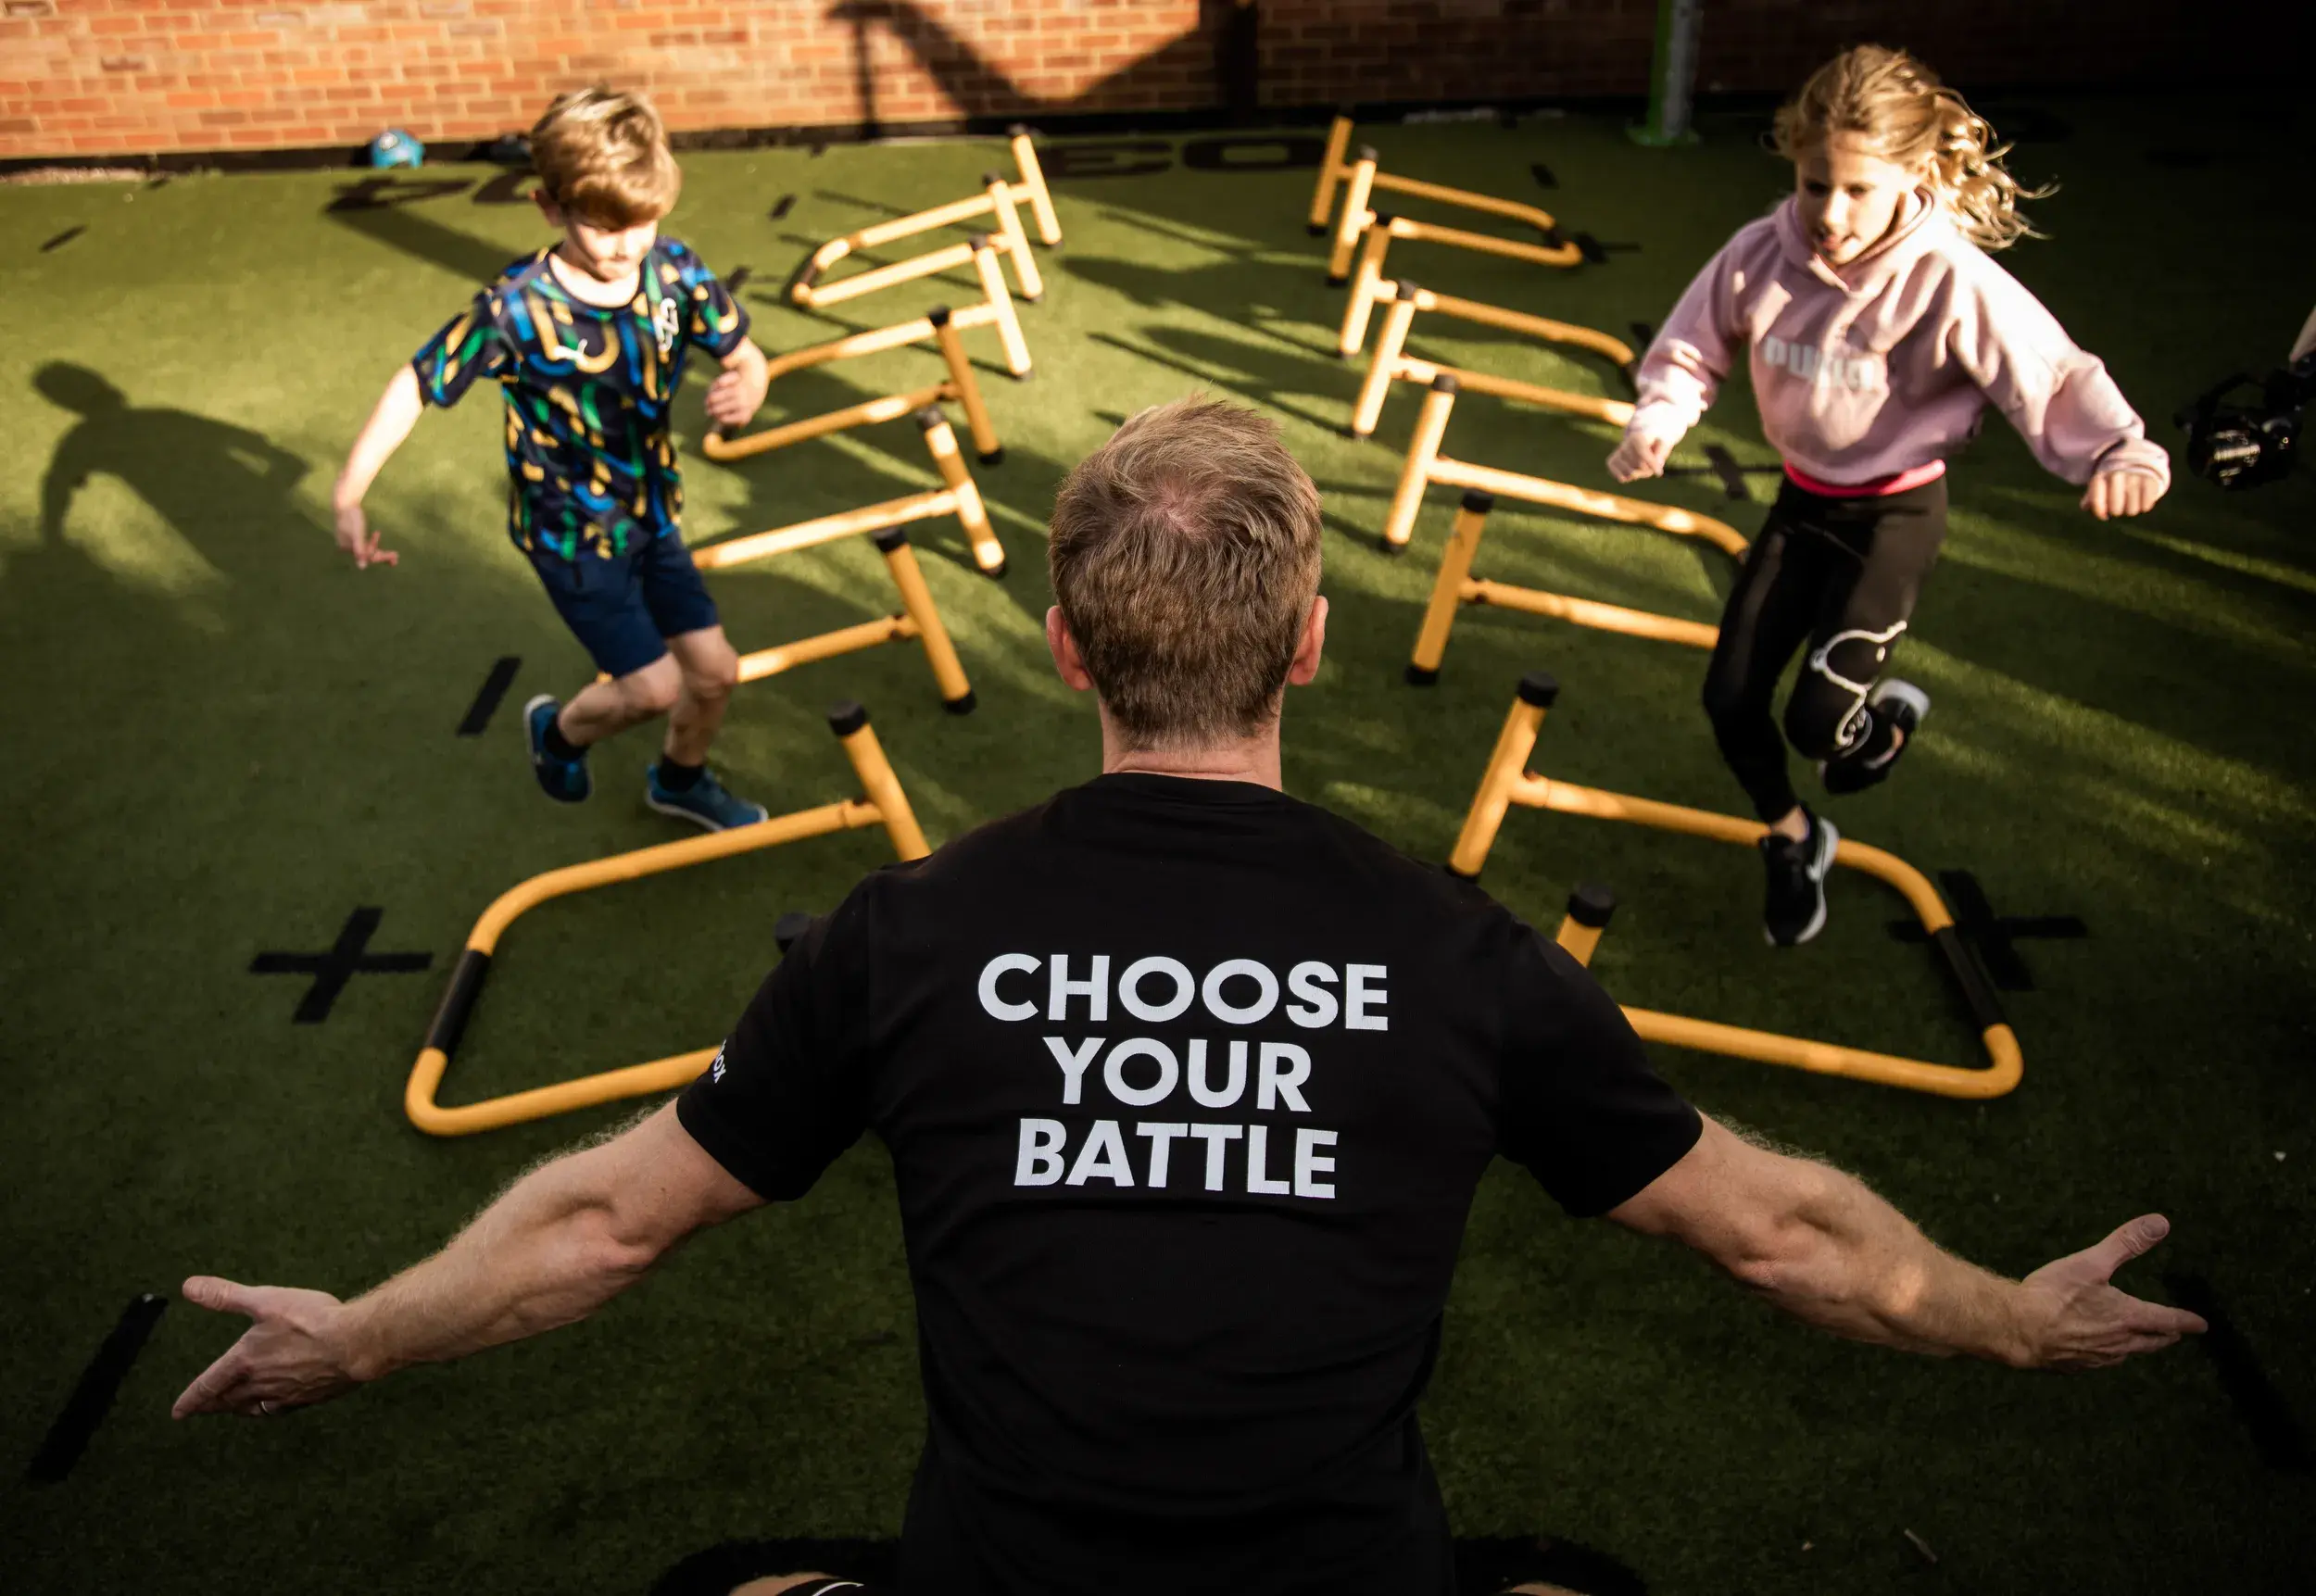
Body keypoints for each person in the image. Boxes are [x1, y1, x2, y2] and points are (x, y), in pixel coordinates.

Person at [175, 399, 2203, 1596]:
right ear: (1311, 640)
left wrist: (361, 1335)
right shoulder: (1457, 952)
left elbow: (604, 1219)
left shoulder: (906, 930)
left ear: (1061, 643)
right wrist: (2005, 1321)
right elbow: (1776, 1231)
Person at [1607, 44, 2171, 946]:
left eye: (1857, 191)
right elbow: (1691, 347)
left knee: (1817, 729)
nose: (1829, 213)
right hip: (1799, 504)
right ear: (1794, 161)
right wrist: (1659, 419)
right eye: (1812, 184)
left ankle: (1877, 725)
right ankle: (1795, 839)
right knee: (1728, 700)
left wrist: (2120, 452)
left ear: (1911, 174)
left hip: (1894, 517)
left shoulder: (1948, 277)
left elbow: (2050, 372)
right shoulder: (1761, 252)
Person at [332, 84, 774, 831]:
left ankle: (679, 778)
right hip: (570, 532)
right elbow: (417, 383)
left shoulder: (674, 271)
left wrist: (749, 386)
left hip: (651, 514)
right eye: (605, 227)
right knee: (654, 688)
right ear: (550, 208)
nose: (629, 243)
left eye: (644, 220)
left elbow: (746, 354)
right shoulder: (515, 309)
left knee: (716, 673)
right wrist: (349, 494)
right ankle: (557, 732)